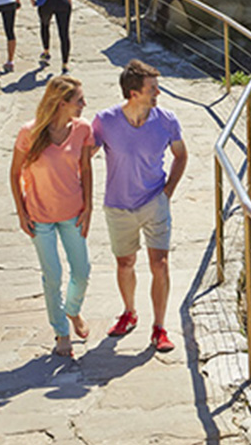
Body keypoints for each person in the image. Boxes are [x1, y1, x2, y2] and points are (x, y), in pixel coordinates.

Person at [93, 59, 188, 353]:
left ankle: (159, 328)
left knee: (159, 264)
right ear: (134, 93)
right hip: (118, 206)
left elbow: (181, 155)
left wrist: (167, 192)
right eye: (152, 88)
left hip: (154, 203)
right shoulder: (105, 121)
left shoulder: (167, 120)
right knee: (125, 263)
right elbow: (83, 156)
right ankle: (129, 312)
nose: (157, 93)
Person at [9, 76, 94, 358]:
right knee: (53, 276)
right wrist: (21, 212)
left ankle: (72, 311)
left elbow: (86, 168)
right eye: (79, 100)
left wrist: (89, 206)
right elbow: (14, 173)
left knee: (82, 272)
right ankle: (61, 332)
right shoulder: (29, 133)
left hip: (73, 213)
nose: (84, 104)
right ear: (62, 103)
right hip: (40, 216)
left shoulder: (82, 129)